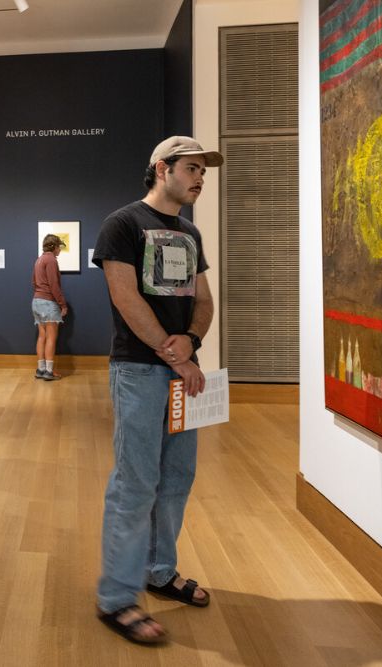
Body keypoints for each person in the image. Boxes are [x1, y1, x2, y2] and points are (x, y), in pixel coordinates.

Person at [92, 136, 221, 644]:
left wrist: (189, 342)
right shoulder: (122, 224)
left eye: (202, 172)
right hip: (140, 372)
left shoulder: (189, 232)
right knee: (135, 482)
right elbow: (125, 298)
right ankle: (117, 597)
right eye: (192, 169)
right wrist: (178, 357)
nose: (199, 179)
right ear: (161, 169)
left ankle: (159, 570)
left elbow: (205, 301)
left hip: (182, 372)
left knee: (177, 478)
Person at [32, 234, 68, 380]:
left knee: (42, 336)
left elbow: (33, 282)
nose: (60, 250)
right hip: (48, 302)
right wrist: (62, 304)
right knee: (51, 337)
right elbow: (54, 285)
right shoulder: (51, 260)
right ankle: (49, 371)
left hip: (36, 301)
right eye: (59, 246)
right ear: (54, 247)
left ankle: (40, 370)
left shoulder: (39, 259)